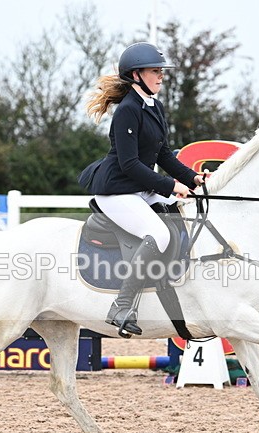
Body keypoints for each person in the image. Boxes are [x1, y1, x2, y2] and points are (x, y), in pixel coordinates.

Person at [84, 42, 204, 337]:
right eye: (155, 71)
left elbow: (163, 155)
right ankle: (121, 307)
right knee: (159, 234)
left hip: (138, 188)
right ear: (136, 75)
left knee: (179, 219)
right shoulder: (127, 111)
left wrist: (192, 179)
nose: (161, 76)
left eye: (161, 71)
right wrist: (170, 186)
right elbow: (129, 165)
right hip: (117, 190)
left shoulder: (155, 107)